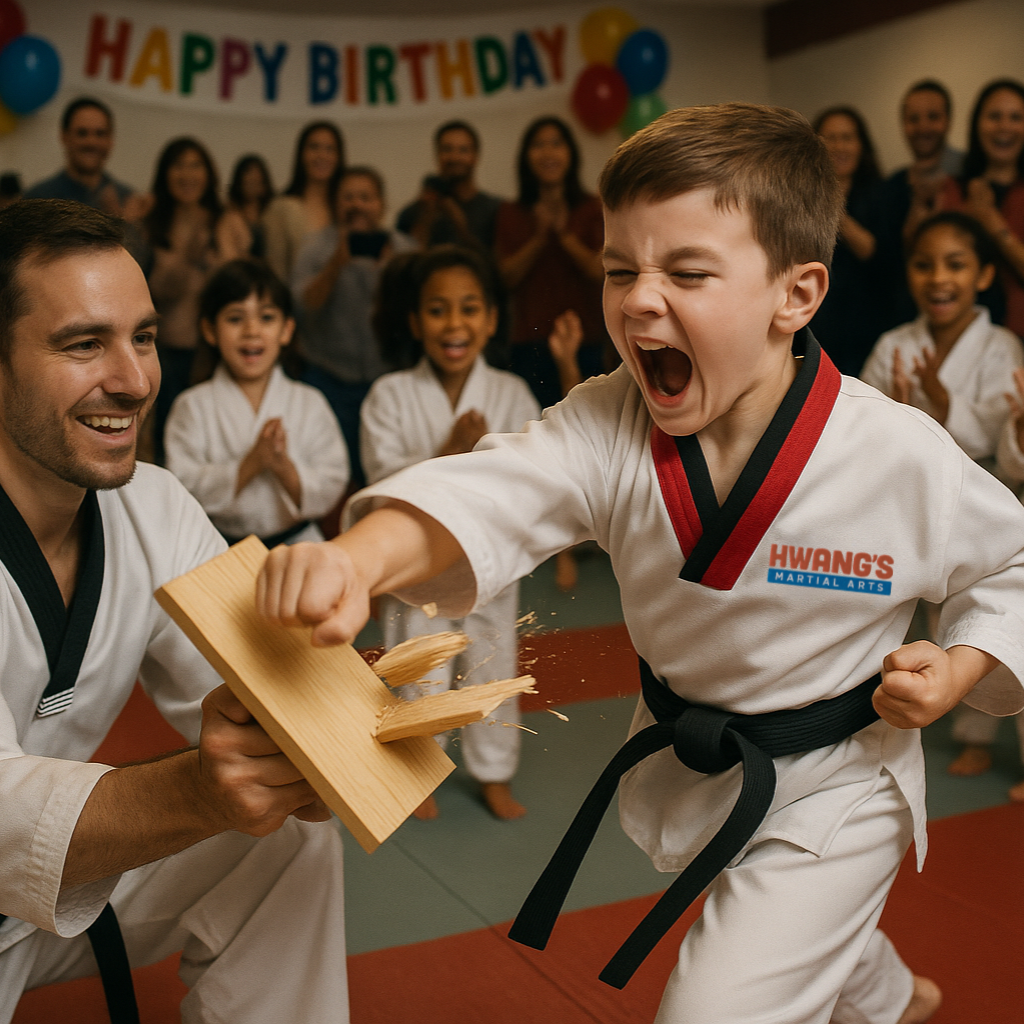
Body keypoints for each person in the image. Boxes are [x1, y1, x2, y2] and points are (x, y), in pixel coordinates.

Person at [257, 103, 1024, 1024]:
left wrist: (962, 667)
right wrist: (356, 557)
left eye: (687, 272)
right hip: (701, 760)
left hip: (841, 781)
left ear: (798, 295)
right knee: (795, 924)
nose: (636, 300)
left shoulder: (896, 453)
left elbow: (1010, 567)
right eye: (621, 269)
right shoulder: (608, 418)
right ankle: (884, 992)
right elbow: (498, 490)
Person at [0, 199, 348, 1023]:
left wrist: (337, 726)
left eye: (145, 336)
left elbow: (265, 689)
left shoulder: (151, 506)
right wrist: (202, 791)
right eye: (85, 343)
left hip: (43, 902)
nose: (134, 379)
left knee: (292, 836)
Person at [361, 246, 540, 821]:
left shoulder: (512, 393)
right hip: (419, 563)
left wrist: (473, 456)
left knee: (493, 666)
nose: (454, 324)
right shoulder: (389, 394)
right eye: (438, 310)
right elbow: (380, 482)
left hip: (491, 559)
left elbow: (534, 481)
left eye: (469, 309)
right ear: (416, 322)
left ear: (490, 319)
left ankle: (494, 773)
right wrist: (448, 453)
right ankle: (418, 772)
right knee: (420, 665)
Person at [165, 259, 349, 549]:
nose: (252, 330)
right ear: (210, 330)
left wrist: (283, 467)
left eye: (266, 318)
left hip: (297, 544)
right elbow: (181, 484)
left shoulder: (309, 402)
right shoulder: (192, 406)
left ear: (286, 330)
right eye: (235, 318)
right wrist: (250, 464)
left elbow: (333, 478)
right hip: (217, 547)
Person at [861, 211, 1022, 462]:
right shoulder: (892, 345)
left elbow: (1002, 444)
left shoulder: (1001, 347)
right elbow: (861, 429)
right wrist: (892, 416)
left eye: (955, 265)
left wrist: (944, 403)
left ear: (984, 275)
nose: (938, 278)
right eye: (923, 266)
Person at [292, 165, 417, 488]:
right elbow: (303, 308)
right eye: (348, 197)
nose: (357, 205)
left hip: (390, 379)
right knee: (332, 476)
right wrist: (336, 263)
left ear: (382, 204)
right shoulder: (314, 247)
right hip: (327, 379)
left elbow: (419, 315)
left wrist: (392, 272)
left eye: (366, 197)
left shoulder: (406, 250)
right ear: (336, 203)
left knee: (385, 476)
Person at [141, 138, 251, 465]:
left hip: (218, 349)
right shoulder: (153, 223)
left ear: (209, 174)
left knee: (219, 435)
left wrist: (220, 257)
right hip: (170, 350)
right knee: (169, 442)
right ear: (165, 174)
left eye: (195, 165)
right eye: (178, 165)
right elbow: (157, 294)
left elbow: (240, 286)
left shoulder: (226, 220)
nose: (187, 174)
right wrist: (188, 253)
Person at [495, 116, 607, 411]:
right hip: (528, 341)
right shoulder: (511, 211)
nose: (548, 153)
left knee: (589, 424)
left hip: (586, 337)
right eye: (538, 145)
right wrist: (539, 239)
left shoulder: (593, 207)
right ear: (526, 156)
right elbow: (505, 278)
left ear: (570, 153)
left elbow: (599, 271)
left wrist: (564, 235)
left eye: (556, 144)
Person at [942, 79, 1024, 339]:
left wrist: (992, 221)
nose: (1004, 127)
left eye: (1015, 117)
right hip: (960, 335)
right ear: (977, 124)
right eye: (994, 116)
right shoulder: (954, 188)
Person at [877, 81, 963, 327]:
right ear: (904, 125)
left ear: (948, 121)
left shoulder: (970, 177)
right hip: (906, 321)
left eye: (933, 117)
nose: (923, 126)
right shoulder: (888, 188)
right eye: (914, 119)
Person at [809, 106, 887, 376]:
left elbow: (877, 255)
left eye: (847, 137)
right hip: (814, 326)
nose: (839, 146)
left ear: (861, 145)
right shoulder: (800, 201)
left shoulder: (882, 195)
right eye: (830, 138)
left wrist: (833, 207)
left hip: (869, 327)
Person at [23, 98, 147, 221]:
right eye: (82, 133)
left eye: (100, 133)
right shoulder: (39, 200)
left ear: (111, 140)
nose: (91, 142)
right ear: (64, 137)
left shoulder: (127, 198)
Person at [396, 121, 503, 251]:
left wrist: (461, 228)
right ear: (437, 155)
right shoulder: (412, 213)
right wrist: (425, 220)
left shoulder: (496, 210)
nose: (455, 157)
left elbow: (497, 267)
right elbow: (403, 263)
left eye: (463, 150)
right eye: (447, 149)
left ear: (476, 156)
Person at [262, 121, 344, 283]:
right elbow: (275, 273)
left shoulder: (346, 208)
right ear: (301, 154)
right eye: (314, 147)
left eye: (330, 149)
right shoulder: (282, 208)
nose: (322, 155)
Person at [227, 154, 275, 260]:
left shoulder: (273, 214)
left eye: (257, 182)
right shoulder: (230, 217)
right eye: (249, 182)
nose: (253, 186)